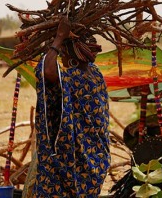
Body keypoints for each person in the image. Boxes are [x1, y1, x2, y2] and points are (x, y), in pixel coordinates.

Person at [32, 16, 111, 197]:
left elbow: (47, 70)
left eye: (64, 54)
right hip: (96, 162)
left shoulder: (74, 78)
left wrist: (59, 38)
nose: (62, 58)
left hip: (72, 164)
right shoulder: (95, 74)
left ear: (72, 56)